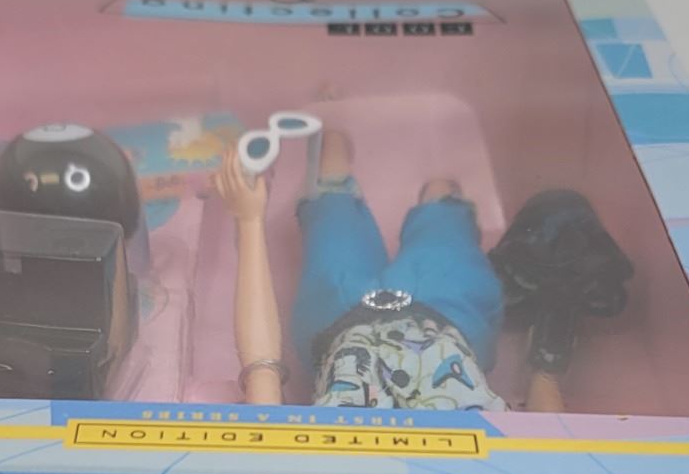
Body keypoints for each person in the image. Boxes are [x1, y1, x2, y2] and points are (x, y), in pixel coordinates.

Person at [213, 129, 507, 409]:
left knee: (330, 207)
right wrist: (248, 219)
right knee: (443, 215)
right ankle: (439, 194)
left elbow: (262, 371)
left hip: (337, 318)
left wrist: (248, 219)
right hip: (450, 314)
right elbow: (262, 374)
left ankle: (334, 152)